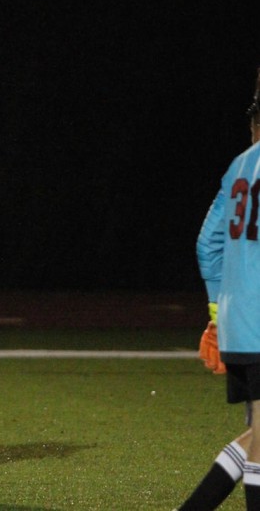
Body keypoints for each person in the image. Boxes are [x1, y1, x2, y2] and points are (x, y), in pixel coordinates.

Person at [179, 68, 260, 510]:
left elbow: (206, 242)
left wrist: (216, 312)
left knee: (259, 433)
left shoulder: (238, 168)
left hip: (236, 319)